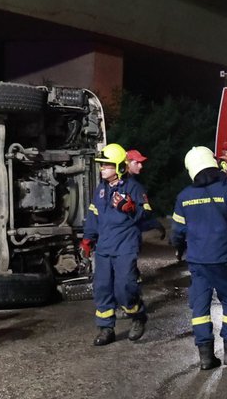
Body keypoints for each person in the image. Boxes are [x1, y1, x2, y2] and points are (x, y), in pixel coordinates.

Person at [171, 146, 227, 370]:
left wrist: (179, 248)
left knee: (200, 309)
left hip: (198, 261)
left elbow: (177, 233)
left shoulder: (184, 196)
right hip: (224, 259)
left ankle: (205, 357)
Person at [82, 143, 150, 346]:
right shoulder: (101, 189)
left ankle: (137, 314)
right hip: (103, 247)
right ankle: (106, 329)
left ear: (119, 167)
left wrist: (130, 208)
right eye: (102, 165)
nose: (102, 168)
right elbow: (94, 216)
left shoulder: (134, 188)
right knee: (102, 288)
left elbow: (145, 214)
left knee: (124, 287)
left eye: (107, 165)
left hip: (125, 247)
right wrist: (88, 238)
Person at [126, 148, 165, 239]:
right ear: (127, 163)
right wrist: (154, 224)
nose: (141, 166)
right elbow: (145, 212)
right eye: (137, 163)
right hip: (131, 236)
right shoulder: (136, 186)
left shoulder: (114, 183)